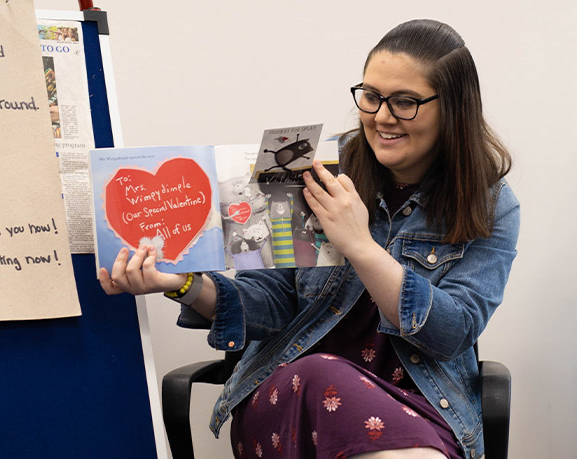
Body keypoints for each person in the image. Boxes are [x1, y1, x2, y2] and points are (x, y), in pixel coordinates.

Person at [99, 19, 519, 459]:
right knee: (321, 373)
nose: (381, 117)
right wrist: (180, 283)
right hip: (290, 397)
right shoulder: (310, 168)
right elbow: (272, 303)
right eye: (372, 97)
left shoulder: (491, 203)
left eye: (405, 102)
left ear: (452, 107)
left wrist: (359, 245)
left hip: (422, 411)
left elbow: (451, 333)